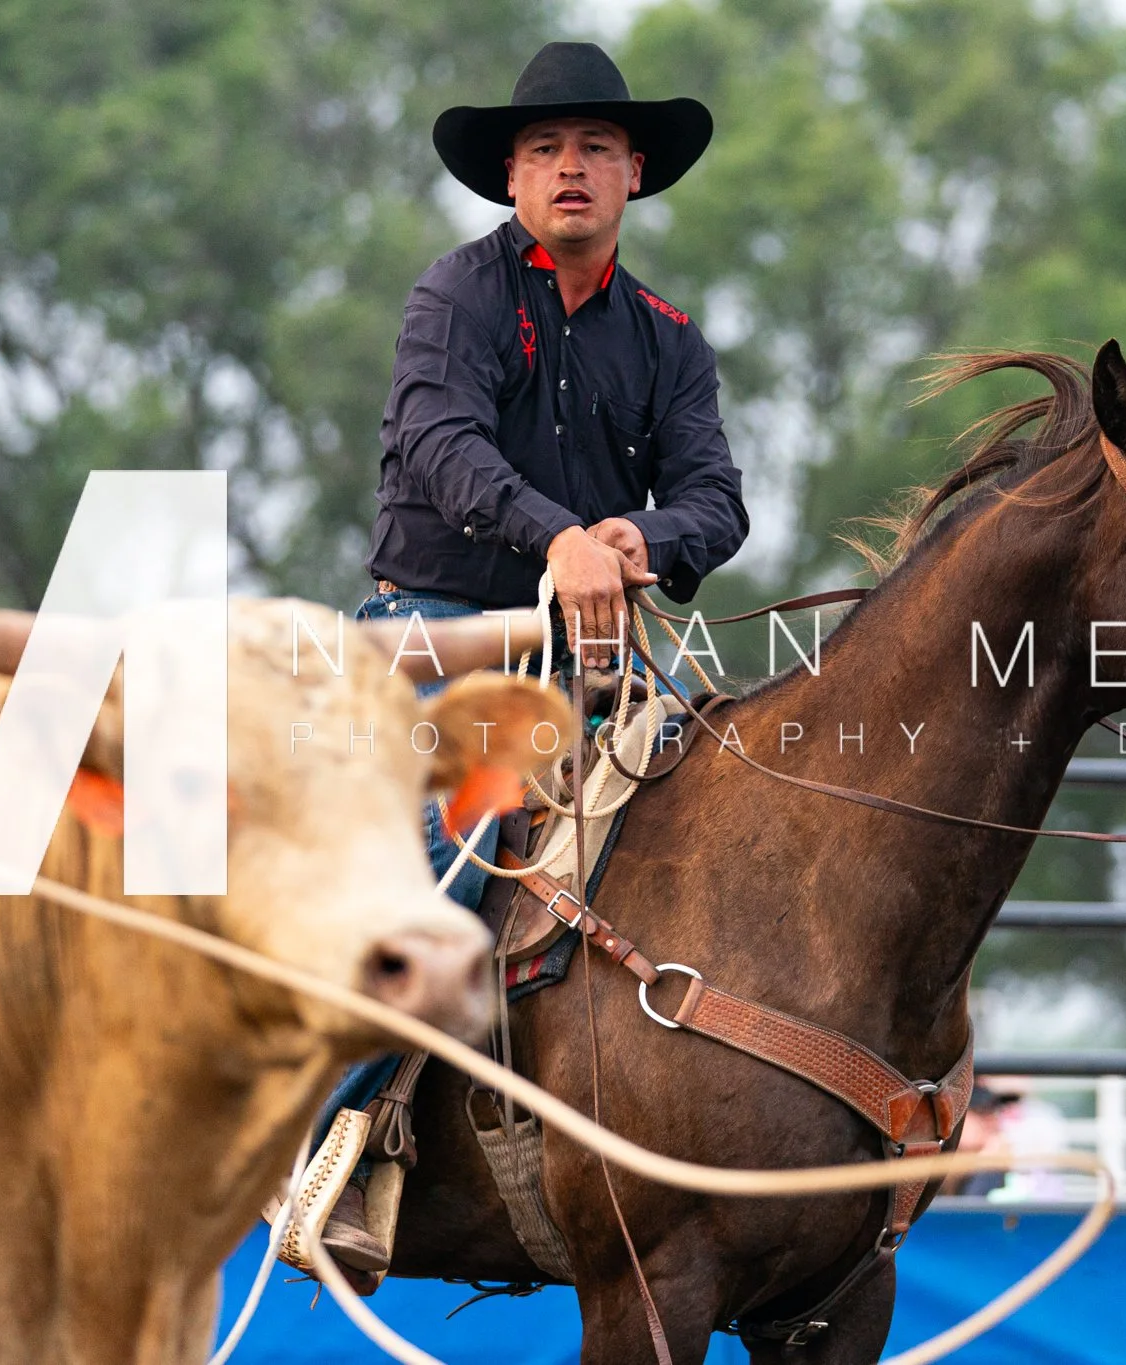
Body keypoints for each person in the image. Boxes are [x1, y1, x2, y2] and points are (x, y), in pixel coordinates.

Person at [317, 40, 750, 1280]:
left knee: (731, 813)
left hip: (590, 653)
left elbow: (716, 499)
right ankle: (333, 1138)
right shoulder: (454, 298)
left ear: (632, 175)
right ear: (509, 178)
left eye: (596, 148)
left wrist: (643, 538)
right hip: (434, 627)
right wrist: (559, 536)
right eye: (547, 149)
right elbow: (438, 444)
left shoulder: (667, 340)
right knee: (447, 868)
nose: (571, 167)